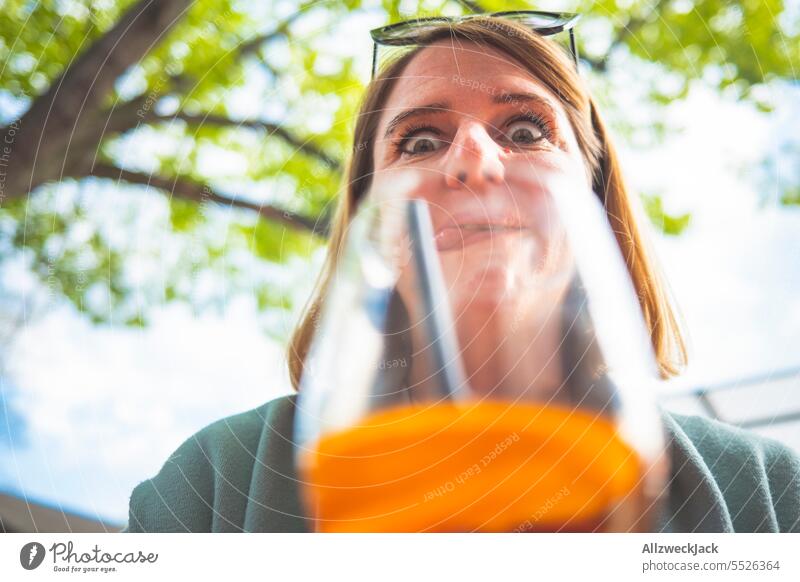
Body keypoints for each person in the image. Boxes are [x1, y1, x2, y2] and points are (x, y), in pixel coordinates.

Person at [125, 16, 800, 533]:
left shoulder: (770, 496)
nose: (475, 162)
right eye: (419, 141)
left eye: (527, 131)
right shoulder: (211, 488)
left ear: (595, 194)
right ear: (369, 217)